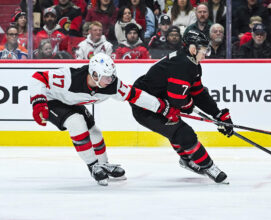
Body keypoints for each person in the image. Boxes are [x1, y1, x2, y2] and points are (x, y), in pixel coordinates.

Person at [28, 53, 180, 185]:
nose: (110, 80)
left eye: (111, 76)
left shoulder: (112, 85)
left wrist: (162, 107)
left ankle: (103, 164)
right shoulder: (68, 78)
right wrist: (38, 102)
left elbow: (135, 95)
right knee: (77, 123)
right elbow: (38, 77)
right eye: (106, 77)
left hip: (71, 102)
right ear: (94, 74)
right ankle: (93, 166)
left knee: (95, 133)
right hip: (50, 101)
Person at [130, 30, 233, 184]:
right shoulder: (182, 64)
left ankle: (187, 160)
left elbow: (198, 93)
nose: (206, 54)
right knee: (184, 133)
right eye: (204, 50)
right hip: (145, 107)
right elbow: (178, 101)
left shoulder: (192, 64)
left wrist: (218, 114)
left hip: (160, 102)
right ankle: (207, 166)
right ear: (193, 49)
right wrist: (190, 104)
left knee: (177, 131)